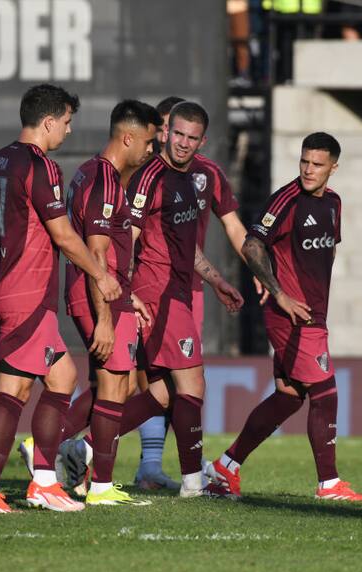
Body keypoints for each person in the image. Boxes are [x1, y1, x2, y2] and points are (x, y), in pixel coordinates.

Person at [0, 84, 121, 513]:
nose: (68, 132)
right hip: (26, 293)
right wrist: (100, 275)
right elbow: (64, 236)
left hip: (2, 291)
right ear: (48, 122)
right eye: (66, 123)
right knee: (10, 392)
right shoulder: (41, 166)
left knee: (63, 377)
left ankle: (44, 481)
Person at [210, 132, 362, 502]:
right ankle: (329, 484)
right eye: (304, 162)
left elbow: (319, 257)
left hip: (314, 313)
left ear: (334, 167)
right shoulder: (286, 199)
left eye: (317, 164)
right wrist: (278, 291)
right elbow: (253, 244)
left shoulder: (333, 203)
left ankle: (225, 467)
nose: (309, 170)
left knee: (289, 396)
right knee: (326, 392)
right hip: (291, 314)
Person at [133, 96, 253, 491]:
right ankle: (192, 481)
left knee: (162, 392)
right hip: (158, 292)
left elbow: (187, 247)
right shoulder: (150, 176)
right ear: (165, 132)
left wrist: (217, 280)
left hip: (182, 289)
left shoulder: (195, 177)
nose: (183, 143)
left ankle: (75, 446)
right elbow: (129, 237)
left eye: (192, 138)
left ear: (203, 141)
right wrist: (121, 292)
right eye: (177, 134)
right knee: (189, 384)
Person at [62, 100, 160, 505]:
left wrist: (129, 294)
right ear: (128, 137)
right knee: (114, 386)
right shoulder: (104, 179)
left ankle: (87, 479)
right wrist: (105, 318)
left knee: (115, 385)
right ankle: (99, 483)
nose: (152, 150)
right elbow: (97, 253)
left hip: (109, 293)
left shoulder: (93, 172)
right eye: (149, 142)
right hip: (98, 296)